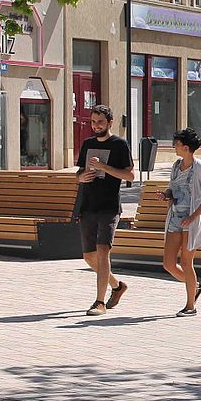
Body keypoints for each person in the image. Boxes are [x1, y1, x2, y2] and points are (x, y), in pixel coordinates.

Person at [75, 105, 134, 316]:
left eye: (100, 121)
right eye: (93, 121)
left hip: (109, 207)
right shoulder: (87, 144)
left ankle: (99, 302)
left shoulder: (120, 145)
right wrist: (80, 177)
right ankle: (117, 286)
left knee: (102, 253)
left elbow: (130, 176)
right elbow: (79, 172)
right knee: (89, 257)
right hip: (88, 206)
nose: (96, 125)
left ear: (110, 122)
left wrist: (104, 167)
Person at [160, 127, 201, 317]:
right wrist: (165, 195)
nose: (174, 147)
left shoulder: (200, 168)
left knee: (186, 262)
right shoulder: (176, 166)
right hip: (175, 218)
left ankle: (190, 305)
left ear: (186, 147)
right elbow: (172, 188)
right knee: (168, 264)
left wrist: (193, 217)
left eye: (176, 144)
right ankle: (195, 286)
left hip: (191, 221)